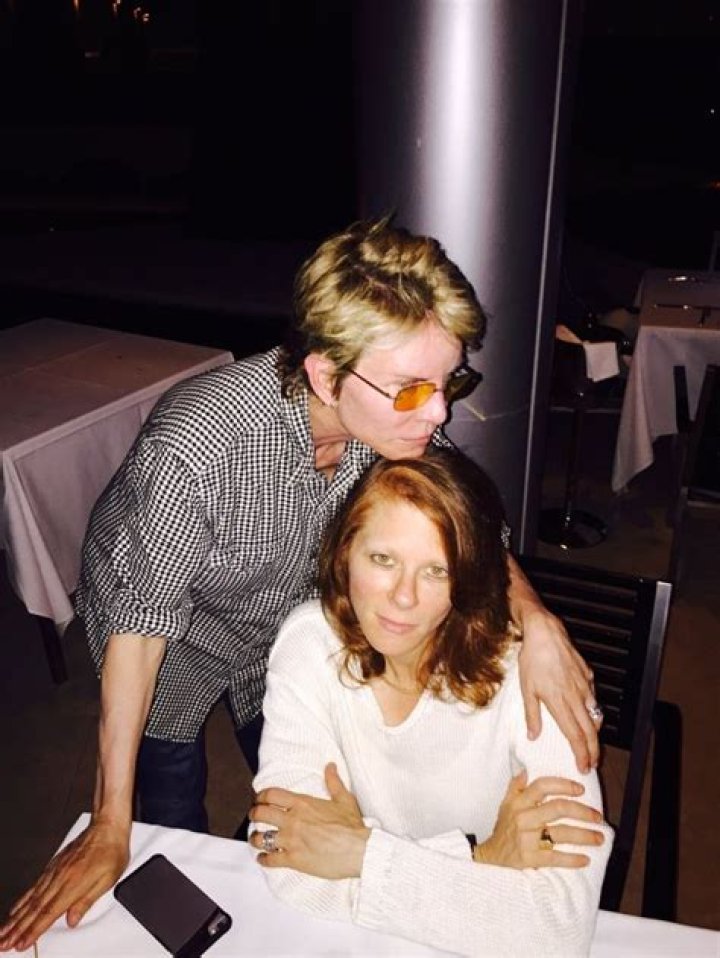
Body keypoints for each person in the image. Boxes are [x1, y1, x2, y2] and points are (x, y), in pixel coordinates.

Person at [0, 218, 599, 952]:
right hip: (171, 641)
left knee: (314, 797)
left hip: (281, 632)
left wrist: (538, 621)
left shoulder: (393, 424)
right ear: (324, 375)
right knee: (171, 817)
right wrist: (109, 820)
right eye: (413, 390)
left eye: (449, 383)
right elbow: (141, 626)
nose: (439, 412)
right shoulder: (197, 447)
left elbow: (469, 526)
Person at [249, 450, 612, 957]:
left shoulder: (533, 678)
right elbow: (288, 864)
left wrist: (358, 854)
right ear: (345, 553)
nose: (403, 597)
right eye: (383, 560)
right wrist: (481, 859)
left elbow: (559, 927)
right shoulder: (309, 643)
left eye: (437, 571)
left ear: (467, 576)